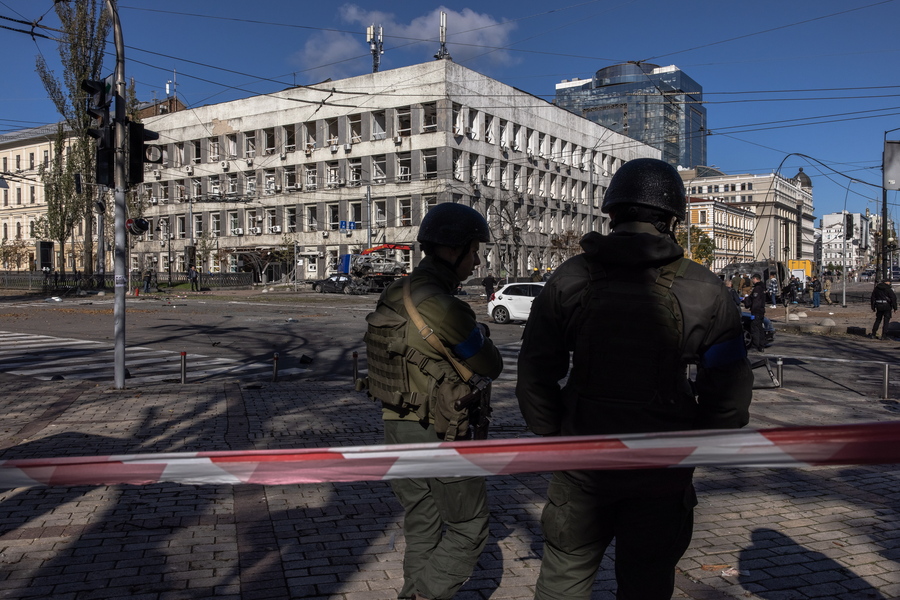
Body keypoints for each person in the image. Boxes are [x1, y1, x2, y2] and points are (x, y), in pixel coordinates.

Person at [517, 158, 752, 600]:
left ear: (612, 212)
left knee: (564, 576)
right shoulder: (706, 289)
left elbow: (534, 368)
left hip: (582, 461)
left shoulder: (570, 276)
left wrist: (557, 433)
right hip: (661, 467)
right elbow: (730, 397)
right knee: (647, 580)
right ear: (671, 219)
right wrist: (692, 439)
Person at [362, 202, 503, 600]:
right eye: (475, 251)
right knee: (469, 525)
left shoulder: (395, 291)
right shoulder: (443, 305)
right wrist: (481, 337)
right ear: (451, 249)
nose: (477, 261)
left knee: (422, 519)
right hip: (439, 429)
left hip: (396, 424)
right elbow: (490, 365)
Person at [744, 274, 767, 352]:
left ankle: (755, 345)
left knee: (755, 328)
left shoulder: (757, 288)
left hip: (757, 311)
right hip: (761, 310)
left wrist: (753, 310)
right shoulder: (762, 287)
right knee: (760, 328)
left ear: (755, 279)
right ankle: (761, 345)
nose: (752, 281)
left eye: (753, 279)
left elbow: (756, 301)